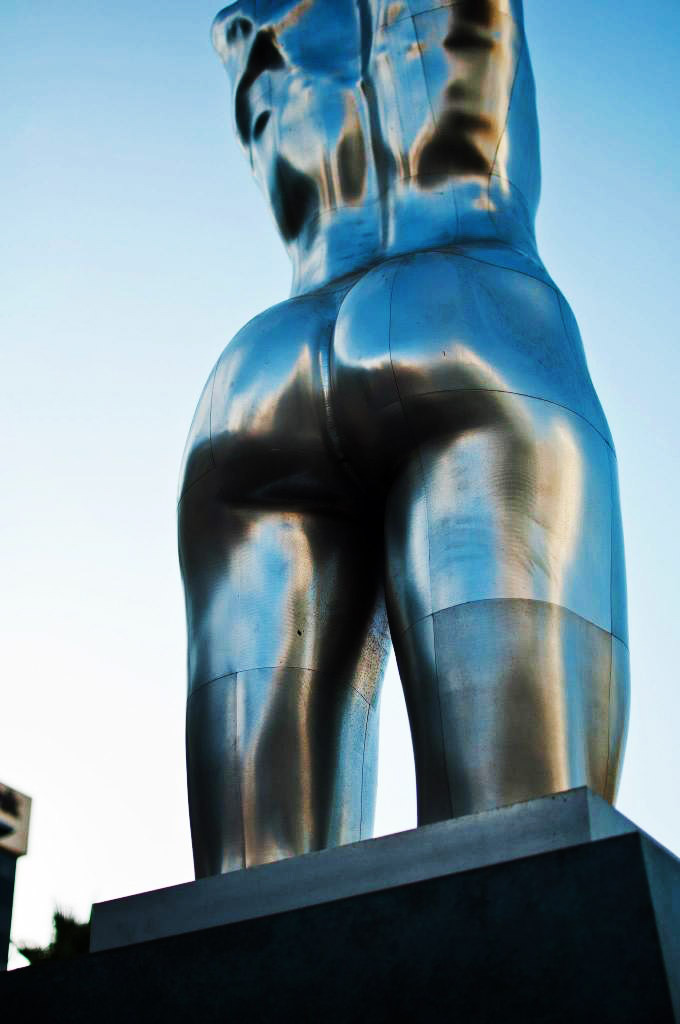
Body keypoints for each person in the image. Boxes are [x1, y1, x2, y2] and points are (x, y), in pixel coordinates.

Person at [179, 0, 629, 878]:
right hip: (466, 301)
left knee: (246, 892)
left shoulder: (248, 21)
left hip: (261, 373)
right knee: (518, 855)